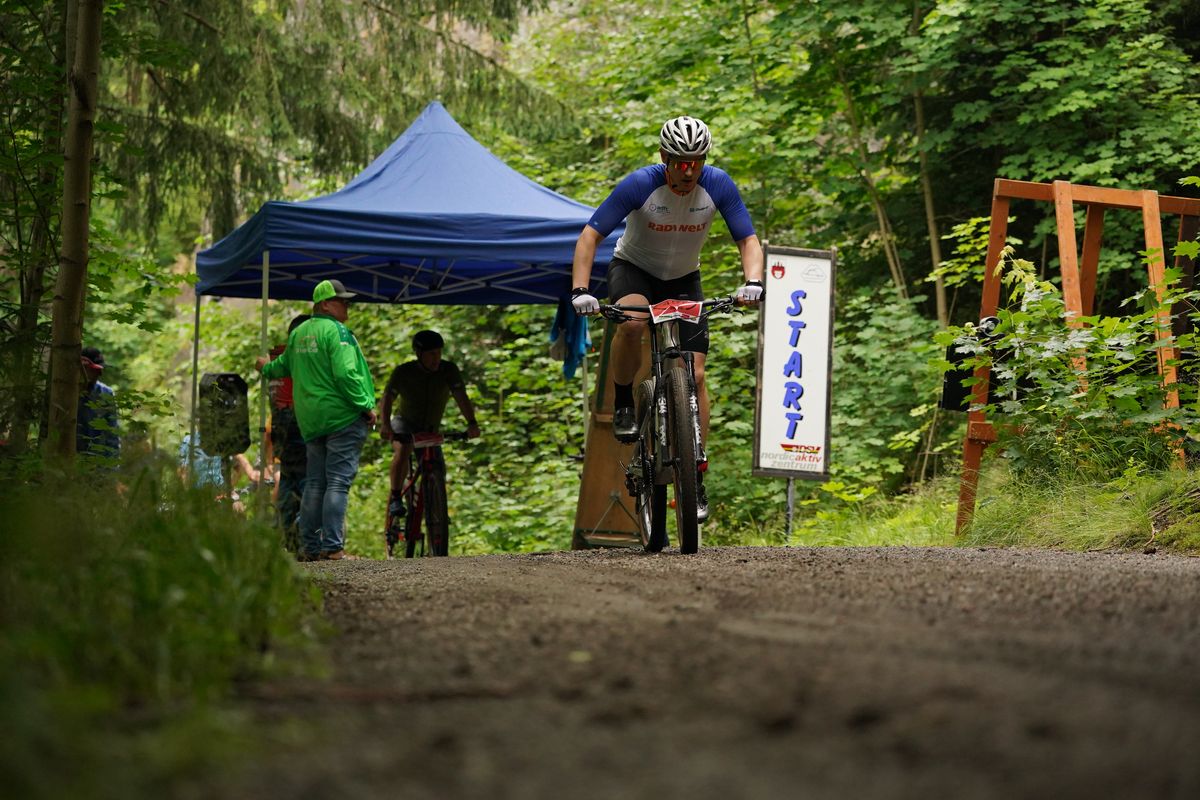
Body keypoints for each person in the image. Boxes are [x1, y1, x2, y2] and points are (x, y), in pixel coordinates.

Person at [570, 115, 764, 522]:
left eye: (696, 159)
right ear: (664, 157)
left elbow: (747, 238)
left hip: (683, 279)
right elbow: (590, 236)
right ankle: (625, 398)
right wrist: (581, 290)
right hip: (634, 269)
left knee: (695, 375)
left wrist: (753, 281)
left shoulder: (718, 185)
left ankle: (695, 470)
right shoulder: (641, 184)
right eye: (679, 161)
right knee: (634, 323)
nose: (688, 169)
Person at [257, 279, 376, 561]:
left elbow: (279, 368)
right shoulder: (338, 332)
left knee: (314, 483)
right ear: (324, 303)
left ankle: (310, 547)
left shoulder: (299, 334)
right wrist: (365, 406)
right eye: (341, 300)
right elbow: (346, 374)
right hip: (341, 416)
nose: (346, 305)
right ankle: (333, 547)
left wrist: (263, 366)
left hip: (310, 420)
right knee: (337, 482)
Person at [381, 330, 481, 526]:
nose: (437, 358)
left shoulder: (448, 370)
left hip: (430, 428)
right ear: (419, 354)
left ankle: (437, 507)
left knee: (437, 465)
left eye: (439, 353)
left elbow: (461, 397)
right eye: (431, 354)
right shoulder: (404, 372)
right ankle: (395, 497)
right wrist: (385, 425)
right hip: (405, 423)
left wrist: (472, 423)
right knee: (403, 449)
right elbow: (387, 399)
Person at [268, 314, 311, 552]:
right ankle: (306, 547)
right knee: (306, 489)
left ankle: (289, 547)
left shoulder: (276, 359)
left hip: (282, 437)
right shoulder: (299, 360)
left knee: (289, 491)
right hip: (299, 434)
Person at [77, 346, 120, 464]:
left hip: (97, 464)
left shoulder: (106, 394)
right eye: (93, 370)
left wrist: (112, 468)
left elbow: (112, 436)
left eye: (99, 371)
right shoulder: (67, 393)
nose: (98, 375)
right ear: (82, 368)